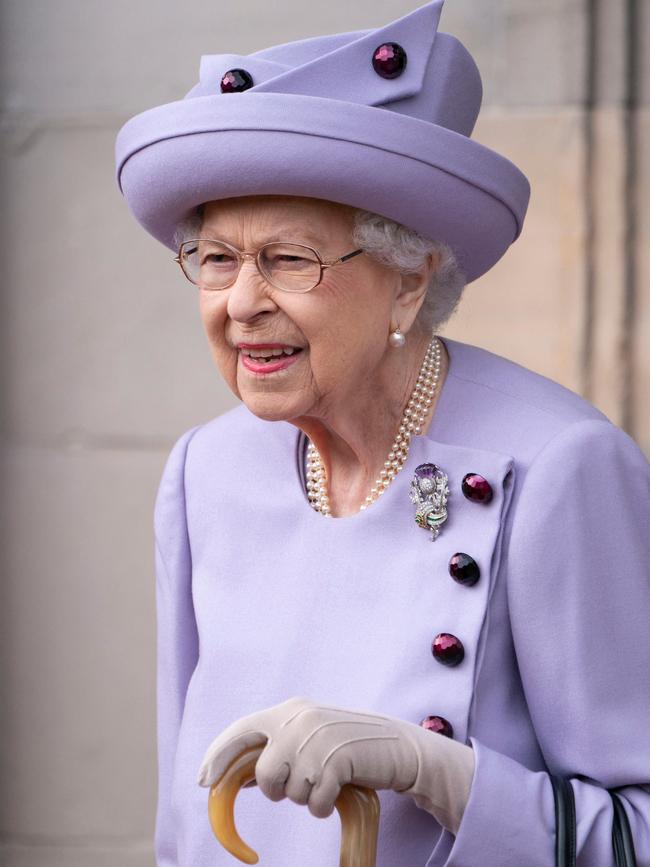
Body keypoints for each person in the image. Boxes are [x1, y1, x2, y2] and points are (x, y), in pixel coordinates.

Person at [114, 1, 650, 865]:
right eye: (216, 258)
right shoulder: (204, 470)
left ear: (409, 281)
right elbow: (183, 830)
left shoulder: (560, 467)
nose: (241, 302)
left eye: (289, 259)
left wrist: (439, 773)